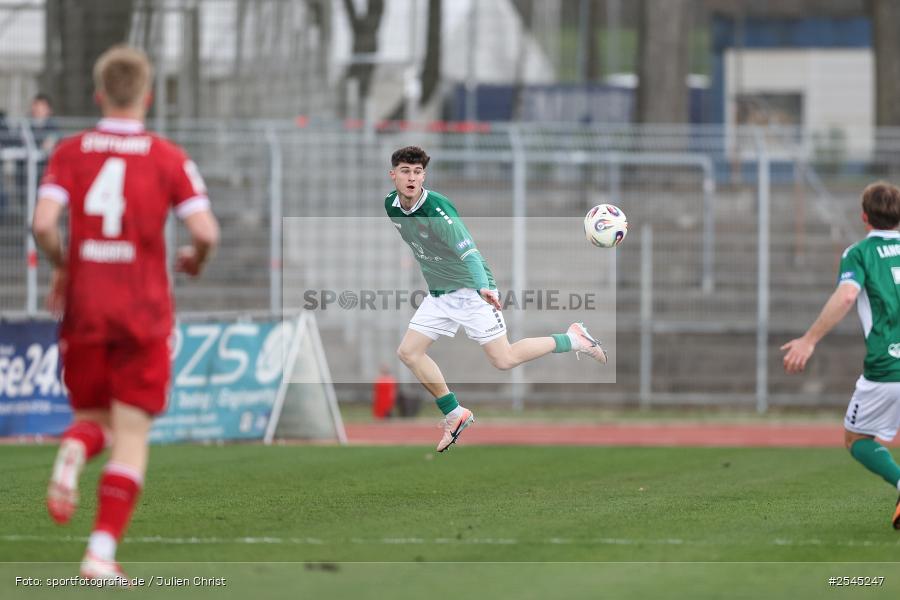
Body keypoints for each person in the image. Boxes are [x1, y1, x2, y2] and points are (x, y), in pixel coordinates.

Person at [32, 45, 219, 581]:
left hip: (86, 304)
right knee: (132, 433)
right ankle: (100, 552)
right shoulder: (167, 156)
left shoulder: (70, 151)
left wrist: (63, 265)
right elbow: (205, 231)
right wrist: (195, 258)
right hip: (142, 310)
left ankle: (73, 446)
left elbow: (44, 223)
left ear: (98, 95)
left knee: (92, 421)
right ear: (147, 96)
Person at [385, 146, 607, 452]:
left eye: (418, 172)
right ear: (393, 174)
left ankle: (573, 338)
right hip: (439, 294)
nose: (412, 178)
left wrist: (482, 286)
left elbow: (469, 253)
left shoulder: (438, 210)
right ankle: (455, 413)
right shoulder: (391, 205)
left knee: (504, 359)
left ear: (424, 175)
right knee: (409, 353)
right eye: (406, 171)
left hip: (470, 289)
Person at [782, 181, 900, 529]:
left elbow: (848, 296)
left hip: (887, 367)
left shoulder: (859, 253)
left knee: (856, 438)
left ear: (864, 216)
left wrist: (809, 340)